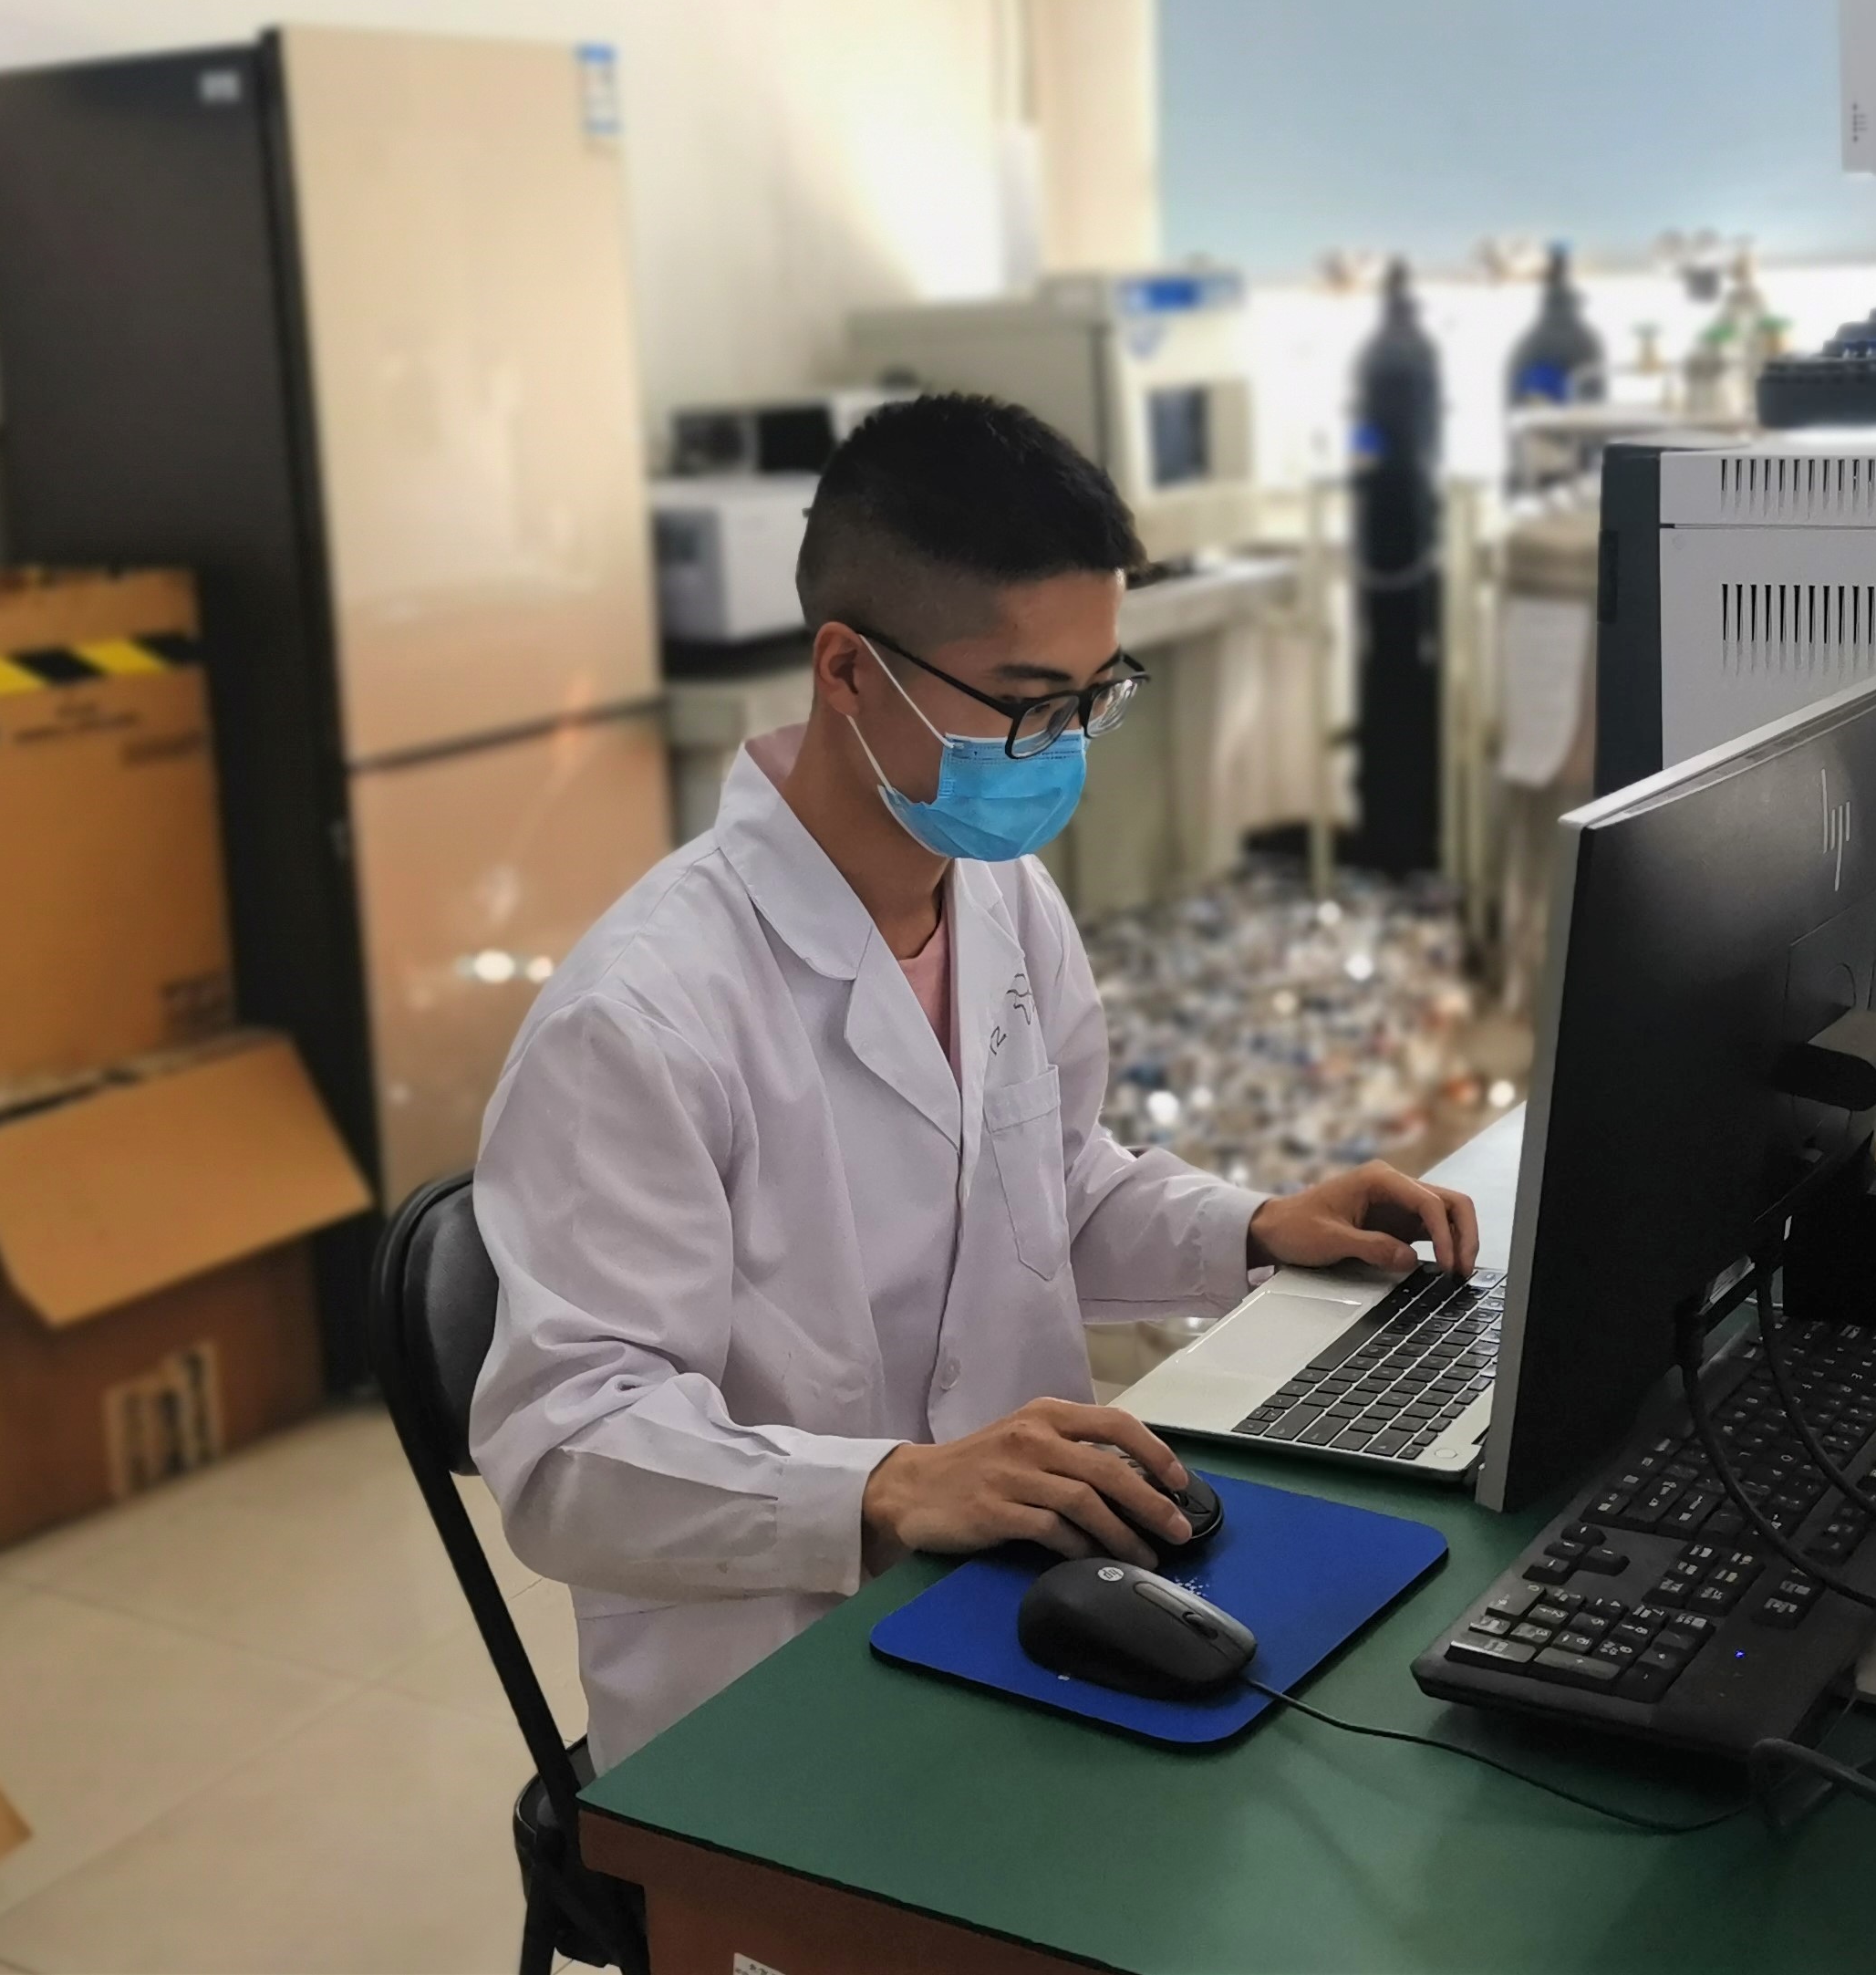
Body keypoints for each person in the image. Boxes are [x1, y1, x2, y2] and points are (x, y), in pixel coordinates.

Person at [471, 394, 1479, 1768]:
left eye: (1093, 697)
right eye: (1024, 702)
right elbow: (565, 1455)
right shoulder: (639, 1017)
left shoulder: (998, 894)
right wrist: (888, 1487)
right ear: (847, 671)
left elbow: (1048, 1190)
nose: (1062, 746)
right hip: (768, 1682)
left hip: (1023, 1593)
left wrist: (1252, 1228)